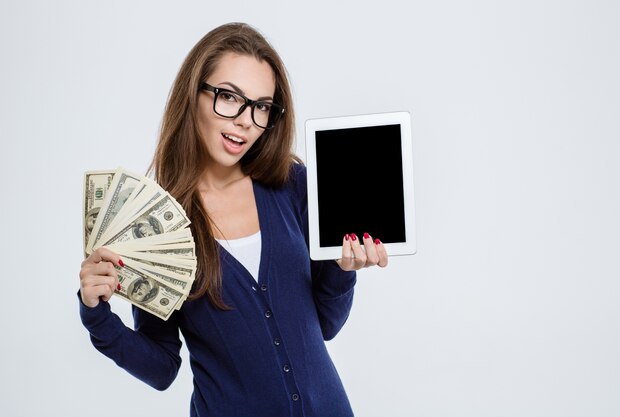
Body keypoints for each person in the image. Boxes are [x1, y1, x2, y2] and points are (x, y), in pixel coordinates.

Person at [78, 22, 388, 417]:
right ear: (194, 96)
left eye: (261, 106)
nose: (246, 120)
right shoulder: (155, 223)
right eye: (229, 97)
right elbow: (161, 368)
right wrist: (97, 315)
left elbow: (324, 325)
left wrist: (343, 270)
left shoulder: (292, 184)